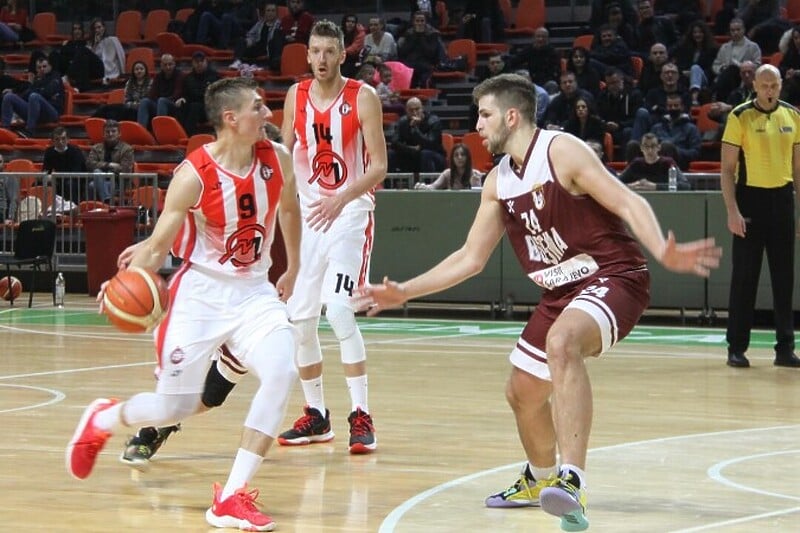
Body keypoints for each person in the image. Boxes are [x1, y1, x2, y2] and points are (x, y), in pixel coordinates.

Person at [353, 73, 721, 531]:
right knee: (521, 393)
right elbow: (470, 257)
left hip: (613, 275)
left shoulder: (561, 151)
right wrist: (405, 291)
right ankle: (541, 480)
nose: (478, 126)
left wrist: (662, 248)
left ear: (512, 115)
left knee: (563, 343)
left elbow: (626, 200)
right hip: (561, 291)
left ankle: (572, 481)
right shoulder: (497, 182)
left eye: (485, 115)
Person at [65, 76, 303, 533]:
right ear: (231, 119)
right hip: (200, 296)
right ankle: (103, 418)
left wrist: (291, 266)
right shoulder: (194, 174)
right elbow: (157, 247)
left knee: (281, 370)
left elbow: (288, 210)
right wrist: (121, 280)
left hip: (254, 293)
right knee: (173, 408)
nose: (268, 114)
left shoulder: (280, 160)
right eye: (259, 107)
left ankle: (232, 496)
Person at [277, 20, 387, 454]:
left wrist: (342, 198)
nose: (321, 59)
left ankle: (361, 414)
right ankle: (316, 416)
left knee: (339, 312)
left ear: (343, 54)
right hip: (308, 218)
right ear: (306, 54)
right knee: (300, 324)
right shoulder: (295, 96)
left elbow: (378, 166)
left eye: (329, 51)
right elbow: (283, 157)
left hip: (350, 213)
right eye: (315, 51)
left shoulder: (363, 97)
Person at [719, 64, 800, 369]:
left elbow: (798, 171)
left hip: (782, 200)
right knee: (744, 278)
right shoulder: (739, 116)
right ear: (754, 85)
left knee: (784, 278)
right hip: (749, 200)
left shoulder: (793, 116)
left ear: (781, 86)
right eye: (764, 85)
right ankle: (736, 348)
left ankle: (785, 348)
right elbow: (727, 170)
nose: (769, 91)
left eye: (774, 86)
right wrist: (732, 211)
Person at [0, 56, 63, 135]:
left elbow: (48, 92)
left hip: (51, 112)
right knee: (9, 96)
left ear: (50, 67)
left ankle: (30, 131)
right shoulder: (37, 80)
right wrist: (40, 89)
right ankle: (5, 131)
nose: (42, 69)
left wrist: (37, 91)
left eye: (44, 66)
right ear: (36, 70)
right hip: (34, 111)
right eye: (39, 67)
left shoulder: (55, 76)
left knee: (34, 96)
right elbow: (26, 94)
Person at [389, 96, 446, 173]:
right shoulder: (402, 122)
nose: (414, 113)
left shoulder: (434, 121)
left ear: (422, 108)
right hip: (411, 155)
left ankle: (428, 184)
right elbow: (394, 142)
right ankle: (389, 184)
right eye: (411, 110)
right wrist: (411, 149)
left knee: (425, 154)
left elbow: (430, 144)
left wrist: (414, 128)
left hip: (434, 156)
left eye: (417, 109)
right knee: (391, 154)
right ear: (406, 111)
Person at [85, 119, 134, 203]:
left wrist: (103, 169)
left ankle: (101, 207)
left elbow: (125, 169)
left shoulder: (127, 149)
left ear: (119, 134)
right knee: (95, 177)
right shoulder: (96, 148)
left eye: (113, 131)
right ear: (103, 134)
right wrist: (109, 165)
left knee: (93, 184)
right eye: (107, 132)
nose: (110, 134)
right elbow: (89, 164)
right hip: (100, 180)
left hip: (118, 183)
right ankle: (107, 200)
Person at [619, 132, 689, 190]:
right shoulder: (636, 164)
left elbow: (685, 185)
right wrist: (631, 186)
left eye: (653, 146)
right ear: (641, 148)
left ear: (659, 147)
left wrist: (656, 186)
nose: (650, 150)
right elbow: (616, 183)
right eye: (646, 146)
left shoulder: (668, 163)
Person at [41, 127, 88, 203]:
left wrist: (56, 176)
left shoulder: (75, 151)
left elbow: (76, 171)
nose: (60, 142)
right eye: (57, 139)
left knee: (69, 183)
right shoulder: (49, 152)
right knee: (41, 183)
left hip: (75, 180)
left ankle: (73, 208)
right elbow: (46, 169)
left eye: (63, 139)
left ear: (68, 139)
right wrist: (47, 176)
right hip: (59, 180)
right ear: (52, 141)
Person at [414, 143, 483, 190]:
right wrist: (423, 187)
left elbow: (478, 197)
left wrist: (475, 185)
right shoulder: (447, 173)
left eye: (463, 155)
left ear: (468, 157)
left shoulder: (475, 174)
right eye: (456, 155)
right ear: (452, 159)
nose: (460, 157)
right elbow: (433, 187)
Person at [0, 155, 18, 224]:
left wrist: (10, 217)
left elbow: (13, 199)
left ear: (4, 164)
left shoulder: (9, 178)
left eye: (0, 162)